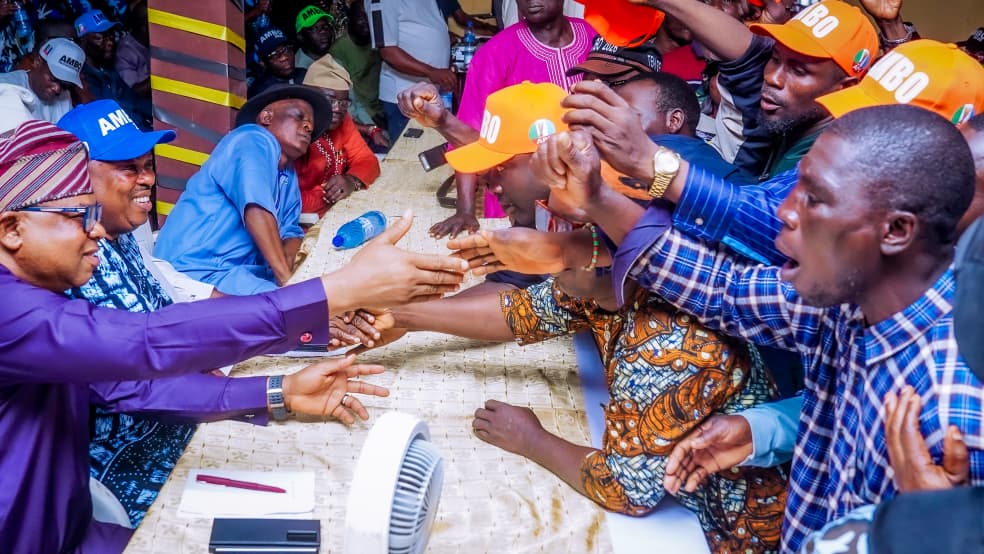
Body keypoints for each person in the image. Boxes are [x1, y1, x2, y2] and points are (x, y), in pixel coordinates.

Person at [0, 119, 470, 553]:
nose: (97, 230)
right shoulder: (10, 309)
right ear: (11, 229)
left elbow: (126, 383)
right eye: (78, 216)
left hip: (76, 529)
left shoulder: (53, 285)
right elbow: (148, 342)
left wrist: (278, 391)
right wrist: (336, 290)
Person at [531, 104, 984, 552]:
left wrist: (924, 534)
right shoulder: (853, 301)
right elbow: (722, 290)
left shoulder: (951, 421)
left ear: (896, 230)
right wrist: (597, 198)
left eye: (814, 198)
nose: (786, 211)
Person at [430, 0, 596, 239]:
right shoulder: (496, 52)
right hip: (515, 197)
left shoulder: (592, 37)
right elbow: (470, 131)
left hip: (584, 193)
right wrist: (465, 209)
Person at [154, 85, 329, 295]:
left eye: (311, 125)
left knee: (324, 293)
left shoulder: (287, 172)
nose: (308, 126)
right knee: (306, 306)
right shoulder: (252, 139)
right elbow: (257, 208)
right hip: (194, 270)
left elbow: (290, 231)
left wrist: (293, 270)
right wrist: (288, 283)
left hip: (235, 272)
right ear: (266, 117)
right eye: (299, 117)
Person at [295, 55, 380, 217]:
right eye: (330, 100)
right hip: (304, 222)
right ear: (308, 99)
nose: (338, 109)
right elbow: (288, 201)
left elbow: (367, 159)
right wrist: (331, 194)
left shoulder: (342, 120)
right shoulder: (293, 132)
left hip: (339, 210)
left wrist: (351, 180)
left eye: (343, 103)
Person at [365, 0, 454, 141]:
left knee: (434, 147)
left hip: (433, 93)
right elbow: (389, 52)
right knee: (408, 150)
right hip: (405, 98)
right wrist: (432, 72)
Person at [329, 0, 387, 145]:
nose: (366, 23)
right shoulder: (339, 51)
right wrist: (371, 121)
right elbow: (349, 98)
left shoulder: (378, 39)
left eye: (370, 18)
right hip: (364, 114)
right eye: (361, 17)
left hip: (383, 106)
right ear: (350, 20)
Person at [0, 37, 84, 123]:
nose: (57, 89)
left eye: (64, 85)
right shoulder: (5, 86)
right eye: (53, 79)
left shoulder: (64, 96)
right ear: (37, 62)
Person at [249, 27, 308, 96]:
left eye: (285, 49)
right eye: (273, 54)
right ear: (263, 63)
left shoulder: (306, 75)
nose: (284, 57)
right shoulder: (261, 92)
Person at [294, 5, 335, 70]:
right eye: (313, 28)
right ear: (300, 37)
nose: (323, 31)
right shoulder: (300, 70)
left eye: (325, 26)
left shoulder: (334, 54)